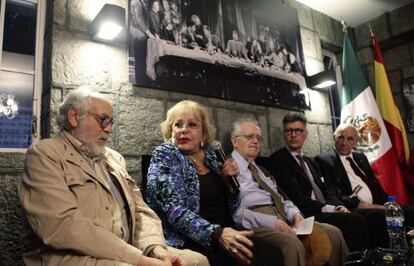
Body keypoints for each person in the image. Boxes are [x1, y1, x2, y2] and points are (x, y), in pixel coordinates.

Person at [19, 89, 208, 266]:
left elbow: (141, 212)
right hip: (71, 257)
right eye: (103, 120)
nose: (109, 129)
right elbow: (64, 226)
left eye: (111, 122)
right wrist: (140, 260)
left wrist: (155, 249)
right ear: (74, 117)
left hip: (125, 250)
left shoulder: (113, 158)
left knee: (197, 261)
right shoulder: (44, 154)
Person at [146, 100, 291, 266]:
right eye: (178, 125)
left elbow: (234, 207)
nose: (184, 130)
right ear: (170, 131)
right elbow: (173, 210)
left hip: (227, 231)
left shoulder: (213, 158)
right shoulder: (164, 156)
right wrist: (217, 234)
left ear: (204, 133)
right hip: (189, 237)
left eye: (192, 125)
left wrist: (230, 186)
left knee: (270, 253)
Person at [230, 119, 349, 266]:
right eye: (249, 136)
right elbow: (236, 212)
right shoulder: (228, 169)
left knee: (333, 233)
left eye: (258, 138)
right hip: (258, 222)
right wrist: (272, 222)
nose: (255, 141)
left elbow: (281, 197)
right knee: (292, 244)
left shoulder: (261, 169)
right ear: (235, 141)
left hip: (284, 217)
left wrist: (295, 214)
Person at [266, 113, 371, 252]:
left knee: (371, 216)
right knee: (355, 221)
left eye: (298, 130)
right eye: (289, 130)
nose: (293, 134)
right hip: (307, 214)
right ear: (284, 134)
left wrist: (338, 206)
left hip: (327, 209)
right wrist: (332, 209)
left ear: (306, 134)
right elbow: (297, 198)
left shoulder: (310, 162)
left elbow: (327, 190)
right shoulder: (277, 161)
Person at [315, 123, 414, 247]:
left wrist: (387, 203)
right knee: (382, 216)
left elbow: (374, 184)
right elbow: (334, 192)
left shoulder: (360, 157)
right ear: (334, 137)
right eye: (341, 137)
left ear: (356, 141)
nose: (344, 143)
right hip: (355, 208)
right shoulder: (324, 160)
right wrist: (366, 206)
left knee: (409, 211)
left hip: (377, 205)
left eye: (350, 139)